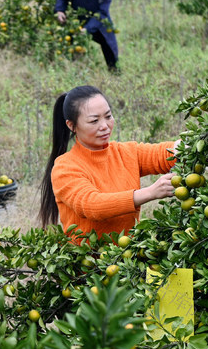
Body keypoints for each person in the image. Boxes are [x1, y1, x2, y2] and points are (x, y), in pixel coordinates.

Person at [39, 85, 177, 241]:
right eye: (94, 121)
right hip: (89, 261)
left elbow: (161, 153)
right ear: (72, 126)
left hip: (128, 258)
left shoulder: (125, 153)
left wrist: (187, 145)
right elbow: (92, 205)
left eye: (108, 116)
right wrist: (150, 192)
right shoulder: (65, 168)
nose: (104, 126)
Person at [55, 0, 118, 70]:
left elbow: (102, 13)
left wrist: (87, 29)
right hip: (77, 20)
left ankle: (113, 69)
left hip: (98, 21)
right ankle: (72, 68)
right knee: (70, 43)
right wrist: (60, 11)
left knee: (108, 44)